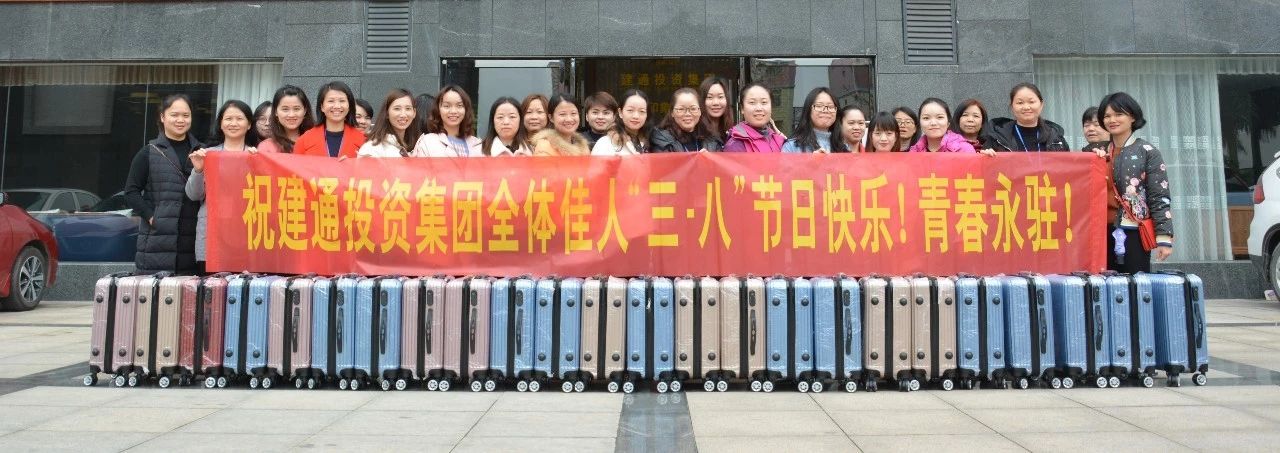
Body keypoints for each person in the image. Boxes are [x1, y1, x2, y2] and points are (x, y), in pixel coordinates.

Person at [123, 94, 202, 274]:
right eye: (174, 115)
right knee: (156, 290)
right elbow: (131, 192)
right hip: (156, 240)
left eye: (186, 115)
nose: (180, 120)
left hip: (193, 237)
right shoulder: (149, 152)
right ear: (162, 117)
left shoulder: (202, 151)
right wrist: (152, 217)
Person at [1098, 92, 1173, 273]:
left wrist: (1164, 237)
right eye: (1107, 116)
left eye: (1118, 114)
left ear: (1132, 117)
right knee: (1103, 284)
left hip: (1133, 231)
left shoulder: (1147, 151)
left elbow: (1159, 195)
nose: (1112, 120)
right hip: (1099, 231)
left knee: (1134, 283)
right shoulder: (1098, 153)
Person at [186, 100, 257, 268]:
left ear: (249, 124)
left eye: (239, 119)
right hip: (212, 234)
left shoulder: (256, 156)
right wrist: (198, 170)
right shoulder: (207, 155)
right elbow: (194, 195)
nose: (233, 123)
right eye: (228, 119)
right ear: (220, 124)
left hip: (245, 233)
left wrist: (259, 164)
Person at [986, 82, 1069, 152]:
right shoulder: (997, 138)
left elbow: (1067, 164)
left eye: (1031, 102)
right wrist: (985, 157)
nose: (1026, 107)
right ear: (1012, 107)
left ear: (1041, 105)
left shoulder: (1056, 139)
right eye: (1020, 103)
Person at [294, 81, 366, 158]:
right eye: (331, 101)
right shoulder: (303, 141)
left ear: (349, 106)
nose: (337, 106)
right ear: (322, 107)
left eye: (342, 101)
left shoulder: (363, 141)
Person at [413, 85, 483, 157]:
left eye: (459, 105)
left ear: (466, 110)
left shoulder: (477, 144)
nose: (453, 111)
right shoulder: (427, 142)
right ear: (438, 110)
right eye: (447, 106)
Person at [651, 88, 724, 152]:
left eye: (693, 109)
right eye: (681, 109)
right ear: (672, 113)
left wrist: (709, 159)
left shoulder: (712, 138)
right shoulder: (661, 138)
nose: (688, 114)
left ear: (700, 111)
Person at [358, 89, 422, 157]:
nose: (403, 114)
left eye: (408, 108)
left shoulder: (419, 145)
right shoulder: (372, 148)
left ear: (414, 112)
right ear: (387, 113)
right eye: (397, 109)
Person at [723, 83, 785, 152]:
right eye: (752, 102)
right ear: (742, 108)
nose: (759, 108)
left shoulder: (778, 140)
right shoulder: (735, 145)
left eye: (764, 102)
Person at [257, 85, 315, 154]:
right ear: (275, 112)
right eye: (285, 109)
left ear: (305, 111)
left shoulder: (317, 141)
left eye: (296, 109)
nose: (291, 115)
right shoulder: (266, 147)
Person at [592, 89, 652, 156]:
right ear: (620, 112)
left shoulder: (652, 142)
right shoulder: (605, 143)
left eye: (642, 111)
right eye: (630, 110)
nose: (636, 116)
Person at [910, 98, 978, 153]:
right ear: (920, 123)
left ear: (948, 123)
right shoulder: (914, 152)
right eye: (926, 118)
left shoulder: (965, 149)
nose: (933, 123)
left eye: (940, 117)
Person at [782, 87, 837, 153]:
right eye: (819, 106)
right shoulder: (791, 146)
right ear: (808, 110)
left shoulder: (844, 146)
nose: (825, 110)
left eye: (830, 106)